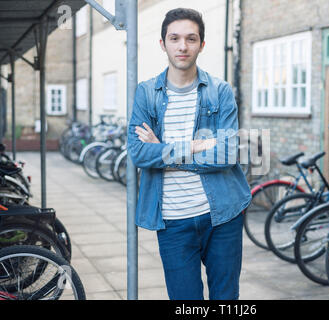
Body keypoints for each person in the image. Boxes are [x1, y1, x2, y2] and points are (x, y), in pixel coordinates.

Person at [127, 8, 252, 300]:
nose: (182, 46)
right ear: (163, 43)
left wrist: (164, 150)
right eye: (175, 38)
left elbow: (226, 154)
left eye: (191, 39)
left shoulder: (219, 91)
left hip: (222, 215)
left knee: (225, 298)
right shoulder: (146, 93)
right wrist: (193, 146)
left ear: (201, 45)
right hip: (172, 221)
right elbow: (138, 153)